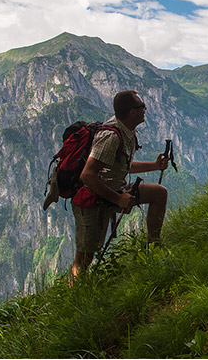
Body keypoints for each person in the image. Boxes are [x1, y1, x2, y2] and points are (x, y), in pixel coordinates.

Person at [70, 90, 168, 279]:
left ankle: (154, 248)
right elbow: (87, 175)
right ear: (132, 112)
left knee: (159, 193)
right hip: (93, 198)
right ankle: (74, 296)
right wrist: (119, 199)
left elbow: (122, 165)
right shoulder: (111, 136)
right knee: (84, 258)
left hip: (115, 190)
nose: (145, 109)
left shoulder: (127, 131)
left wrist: (154, 166)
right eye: (142, 107)